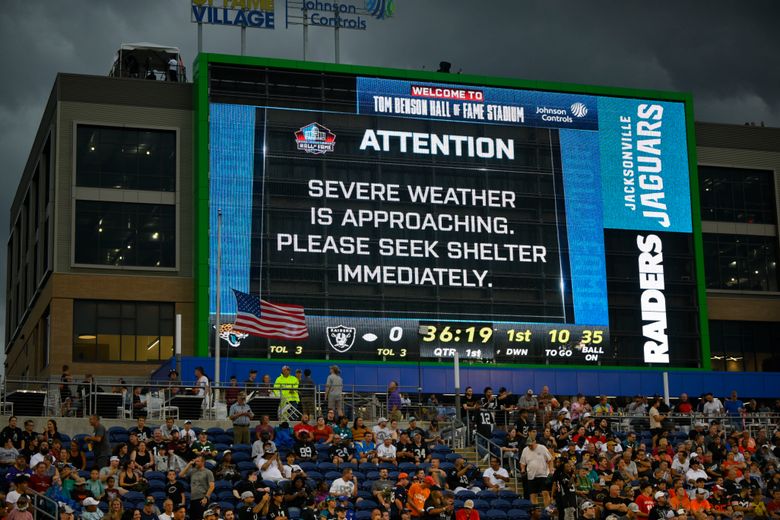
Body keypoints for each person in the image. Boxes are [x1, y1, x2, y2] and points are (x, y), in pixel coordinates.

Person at [519, 432, 553, 506]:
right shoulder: (525, 450)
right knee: (532, 494)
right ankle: (535, 510)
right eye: (528, 445)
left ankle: (547, 510)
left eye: (531, 445)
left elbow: (550, 459)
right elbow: (522, 462)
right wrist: (522, 469)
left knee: (545, 493)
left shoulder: (542, 448)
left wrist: (551, 470)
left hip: (543, 474)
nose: (529, 446)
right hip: (531, 476)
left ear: (535, 442)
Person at [180, 456, 214, 520]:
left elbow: (212, 486)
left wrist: (206, 497)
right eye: (195, 461)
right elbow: (181, 475)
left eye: (198, 461)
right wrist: (189, 464)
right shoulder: (193, 471)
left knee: (201, 518)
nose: (196, 463)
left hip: (202, 499)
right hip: (193, 499)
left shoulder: (208, 472)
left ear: (203, 462)